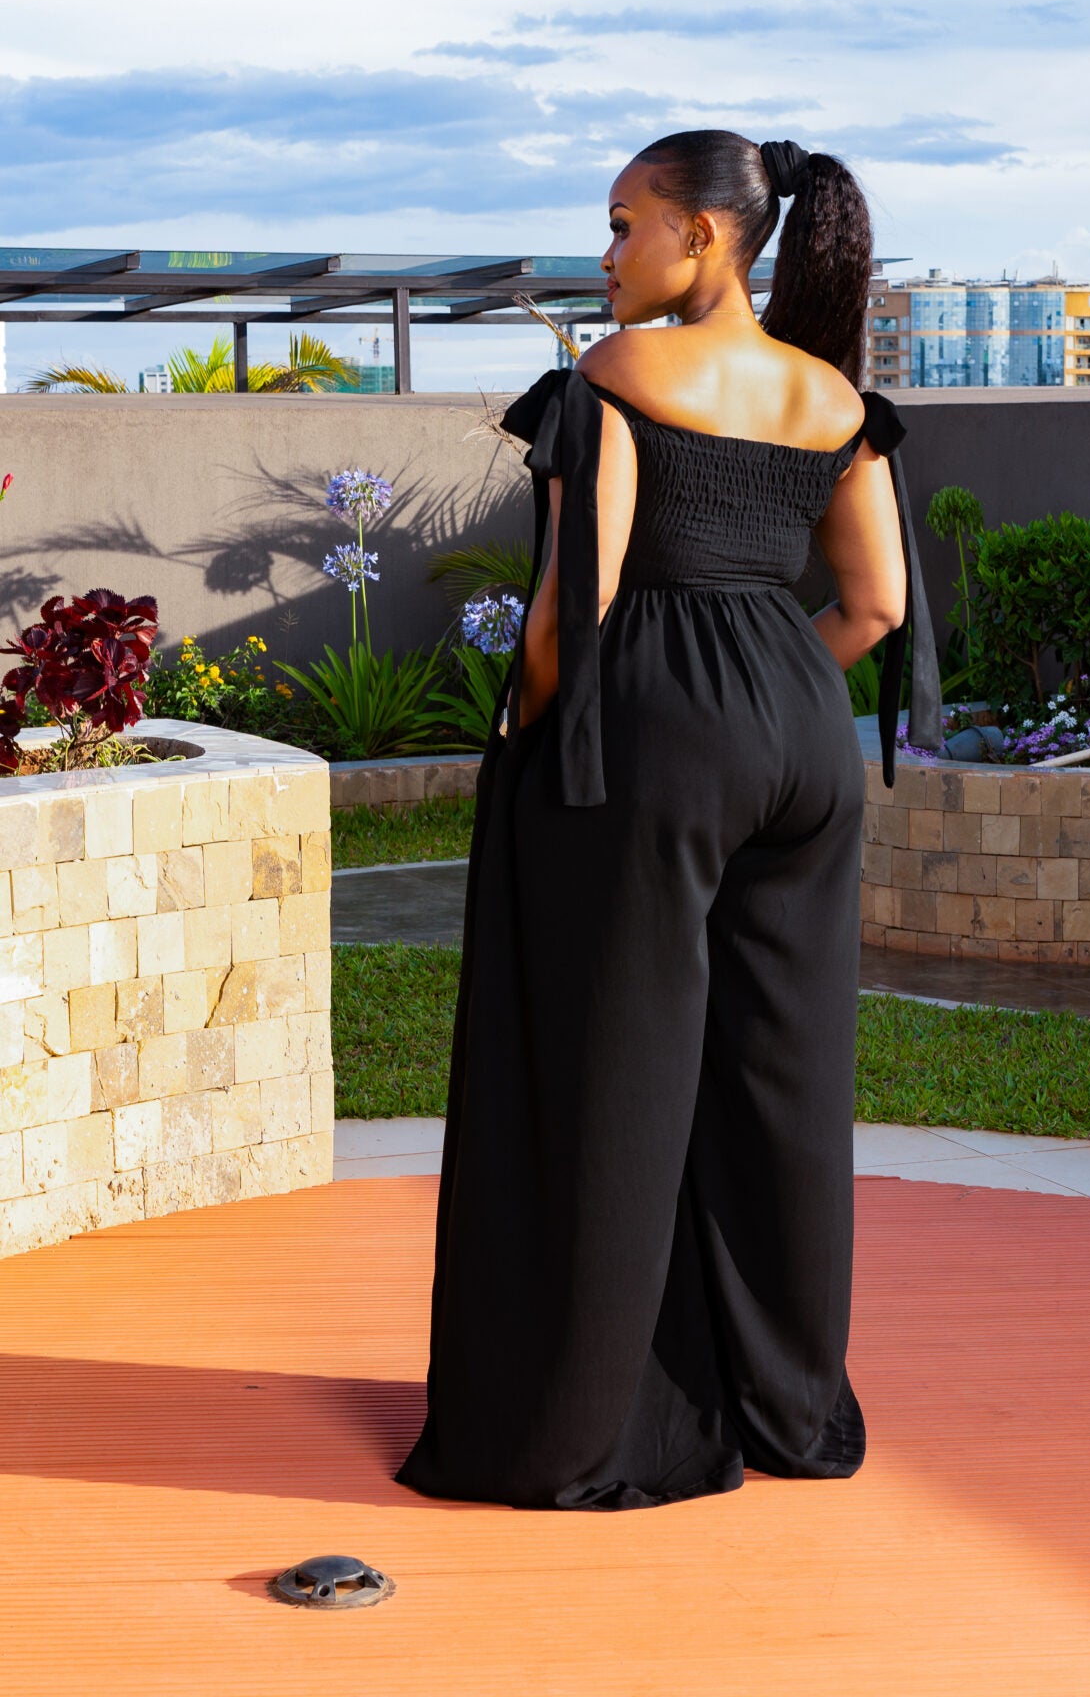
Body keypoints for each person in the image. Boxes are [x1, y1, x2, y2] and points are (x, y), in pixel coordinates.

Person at [395, 129, 939, 1512]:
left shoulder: (619, 376)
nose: (607, 254)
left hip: (648, 738)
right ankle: (786, 1407)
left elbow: (573, 603)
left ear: (704, 235)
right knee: (782, 1077)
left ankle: (586, 1424)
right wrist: (765, 692)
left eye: (623, 223)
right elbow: (876, 606)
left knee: (614, 1064)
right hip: (807, 742)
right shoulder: (833, 396)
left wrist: (530, 739)